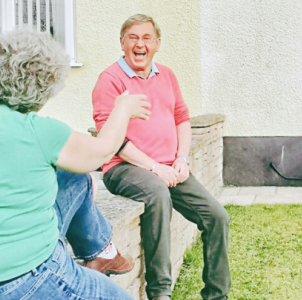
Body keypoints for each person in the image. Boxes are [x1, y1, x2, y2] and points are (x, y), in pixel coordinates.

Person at [0, 29, 151, 300]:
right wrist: (123, 108)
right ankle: (101, 252)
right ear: (45, 83)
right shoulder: (38, 131)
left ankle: (101, 252)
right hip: (25, 280)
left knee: (74, 179)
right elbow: (102, 152)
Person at [92, 14, 230, 300]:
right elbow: (113, 139)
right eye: (132, 37)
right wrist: (155, 167)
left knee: (217, 216)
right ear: (122, 43)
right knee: (157, 193)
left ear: (156, 44)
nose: (139, 44)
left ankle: (217, 295)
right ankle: (160, 292)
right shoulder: (110, 80)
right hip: (124, 168)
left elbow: (181, 116)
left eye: (146, 38)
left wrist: (182, 159)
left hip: (170, 166)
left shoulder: (166, 75)